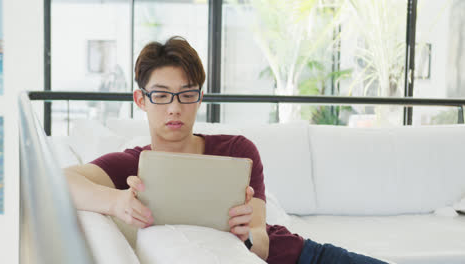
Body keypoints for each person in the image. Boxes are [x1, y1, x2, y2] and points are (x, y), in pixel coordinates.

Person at [64, 36, 388, 264]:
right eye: (161, 96)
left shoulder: (236, 150)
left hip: (301, 256)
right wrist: (117, 201)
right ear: (141, 100)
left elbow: (260, 242)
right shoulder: (132, 164)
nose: (174, 108)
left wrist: (249, 233)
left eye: (186, 94)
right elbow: (60, 180)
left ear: (199, 99)